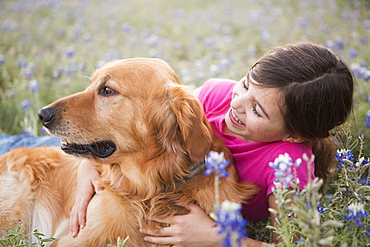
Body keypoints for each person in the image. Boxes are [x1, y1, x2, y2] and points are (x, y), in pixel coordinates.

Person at [70, 42, 354, 246]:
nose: (238, 104)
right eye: (245, 84)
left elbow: (291, 243)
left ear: (294, 135)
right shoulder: (218, 94)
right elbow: (146, 125)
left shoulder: (289, 163)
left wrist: (220, 238)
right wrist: (88, 160)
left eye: (258, 110)